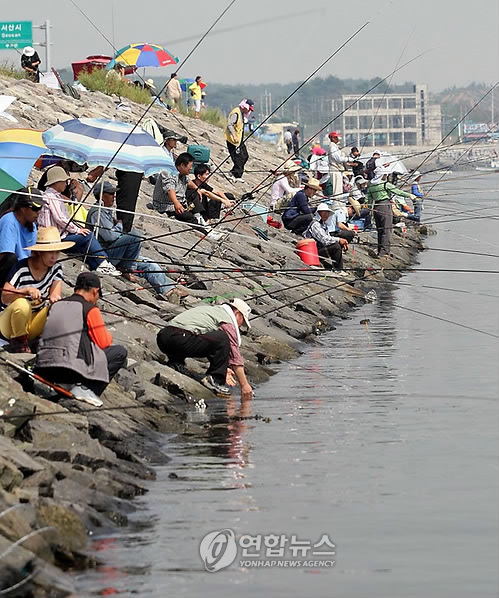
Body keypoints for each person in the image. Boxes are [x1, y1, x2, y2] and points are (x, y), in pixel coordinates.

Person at [35, 272, 128, 406]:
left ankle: (65, 387)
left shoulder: (56, 304)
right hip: (70, 371)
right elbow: (103, 343)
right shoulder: (90, 309)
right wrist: (109, 335)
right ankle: (87, 389)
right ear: (95, 291)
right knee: (119, 352)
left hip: (43, 367)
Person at [156, 298, 254, 400]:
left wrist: (224, 367)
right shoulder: (226, 321)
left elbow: (208, 342)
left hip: (163, 337)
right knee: (223, 338)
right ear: (237, 313)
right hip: (180, 339)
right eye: (242, 322)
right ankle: (215, 379)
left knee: (201, 334)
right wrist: (244, 385)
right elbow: (234, 356)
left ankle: (175, 363)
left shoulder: (212, 311)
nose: (239, 326)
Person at [0, 227, 74, 353]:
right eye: (51, 252)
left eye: (57, 252)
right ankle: (19, 343)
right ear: (40, 252)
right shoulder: (21, 267)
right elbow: (4, 296)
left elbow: (55, 293)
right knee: (22, 304)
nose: (54, 257)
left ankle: (39, 341)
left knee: (56, 308)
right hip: (9, 325)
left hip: (33, 324)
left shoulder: (56, 268)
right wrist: (26, 291)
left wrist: (55, 300)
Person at [38, 166, 121, 276]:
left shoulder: (54, 196)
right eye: (64, 181)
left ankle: (99, 265)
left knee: (84, 244)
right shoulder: (51, 197)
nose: (66, 184)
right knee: (88, 236)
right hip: (55, 238)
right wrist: (77, 230)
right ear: (56, 182)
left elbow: (64, 218)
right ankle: (103, 263)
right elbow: (61, 218)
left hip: (59, 236)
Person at [86, 181, 142, 277]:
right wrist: (119, 225)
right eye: (111, 194)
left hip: (111, 250)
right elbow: (110, 236)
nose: (114, 197)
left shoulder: (105, 210)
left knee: (150, 265)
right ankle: (126, 269)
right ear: (102, 196)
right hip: (103, 255)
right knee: (135, 235)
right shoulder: (97, 212)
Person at [366, 166, 416, 258]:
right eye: (386, 174)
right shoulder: (385, 185)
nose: (387, 176)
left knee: (380, 230)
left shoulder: (371, 185)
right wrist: (409, 195)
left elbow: (368, 199)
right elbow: (398, 192)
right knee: (386, 229)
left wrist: (370, 208)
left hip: (376, 208)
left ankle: (380, 250)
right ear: (383, 175)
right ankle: (384, 252)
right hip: (385, 207)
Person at [0, 187, 44, 287]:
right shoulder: (9, 221)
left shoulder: (32, 225)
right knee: (11, 258)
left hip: (21, 268)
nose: (38, 212)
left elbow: (31, 253)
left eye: (40, 209)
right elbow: (5, 256)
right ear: (23, 208)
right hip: (8, 269)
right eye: (35, 208)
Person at [303, 203, 348, 273]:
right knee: (336, 246)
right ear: (318, 213)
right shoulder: (315, 224)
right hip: (312, 252)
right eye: (323, 212)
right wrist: (339, 240)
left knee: (337, 244)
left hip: (318, 250)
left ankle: (338, 268)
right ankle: (338, 270)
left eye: (327, 213)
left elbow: (329, 238)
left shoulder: (324, 226)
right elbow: (324, 240)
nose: (326, 215)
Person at [225, 99, 255, 183]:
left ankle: (234, 172)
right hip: (232, 140)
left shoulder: (242, 114)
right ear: (244, 107)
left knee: (245, 156)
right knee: (238, 158)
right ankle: (236, 175)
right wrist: (234, 135)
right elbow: (230, 125)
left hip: (239, 139)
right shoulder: (236, 112)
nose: (249, 111)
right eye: (248, 109)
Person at [327, 131, 354, 200]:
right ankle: (336, 204)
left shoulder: (335, 146)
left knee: (339, 189)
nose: (338, 139)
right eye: (336, 137)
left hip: (338, 170)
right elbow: (338, 159)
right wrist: (348, 159)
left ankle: (338, 203)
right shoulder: (332, 147)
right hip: (334, 170)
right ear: (332, 138)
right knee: (336, 190)